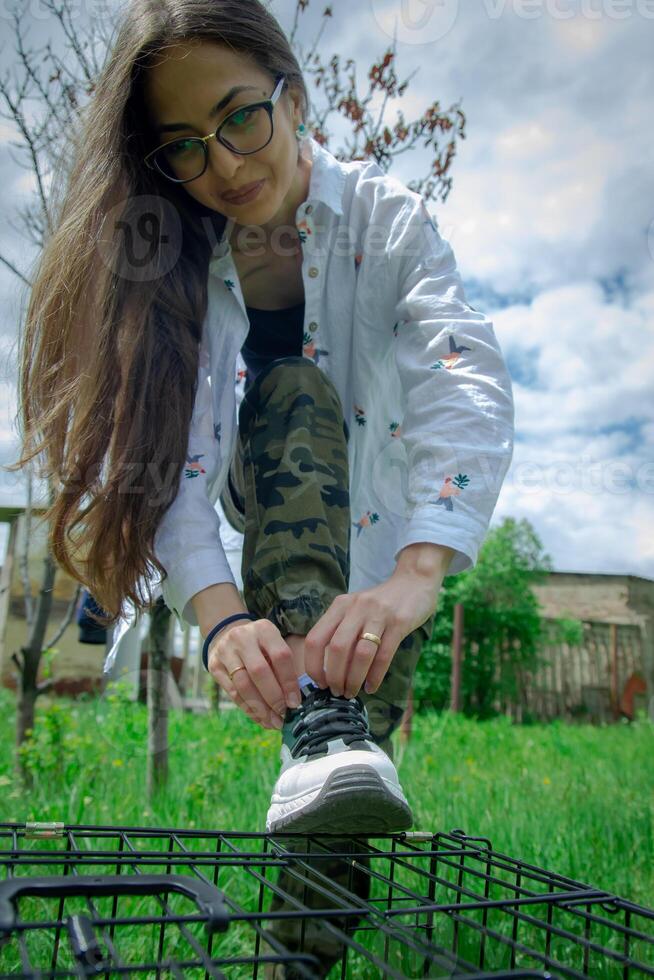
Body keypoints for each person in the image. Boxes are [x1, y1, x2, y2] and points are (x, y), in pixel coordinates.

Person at [8, 1, 514, 974]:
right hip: (262, 499)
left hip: (377, 560)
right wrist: (222, 614)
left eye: (242, 117)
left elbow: (461, 367)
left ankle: (294, 955)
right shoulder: (177, 271)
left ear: (294, 92)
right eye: (185, 149)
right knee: (293, 389)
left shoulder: (387, 222)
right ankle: (321, 724)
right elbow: (167, 459)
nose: (228, 166)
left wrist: (417, 571)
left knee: (342, 808)